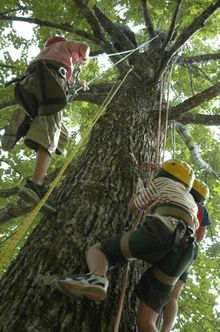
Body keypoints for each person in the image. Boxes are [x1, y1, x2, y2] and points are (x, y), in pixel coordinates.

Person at [56, 158, 198, 332]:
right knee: (146, 322)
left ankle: (97, 278)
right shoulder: (191, 201)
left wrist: (140, 192)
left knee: (99, 250)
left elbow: (132, 207)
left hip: (161, 231)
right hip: (186, 251)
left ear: (163, 174)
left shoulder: (161, 181)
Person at [2, 36, 90, 212]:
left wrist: (76, 82)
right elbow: (84, 47)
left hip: (31, 83)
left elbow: (63, 77)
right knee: (52, 128)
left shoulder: (46, 53)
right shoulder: (65, 46)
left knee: (61, 135)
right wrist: (84, 58)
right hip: (50, 82)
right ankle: (35, 184)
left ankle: (25, 120)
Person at [161, 179, 211, 332]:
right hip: (188, 249)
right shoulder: (202, 210)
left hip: (167, 235)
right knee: (173, 296)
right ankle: (166, 329)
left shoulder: (180, 195)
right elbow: (201, 236)